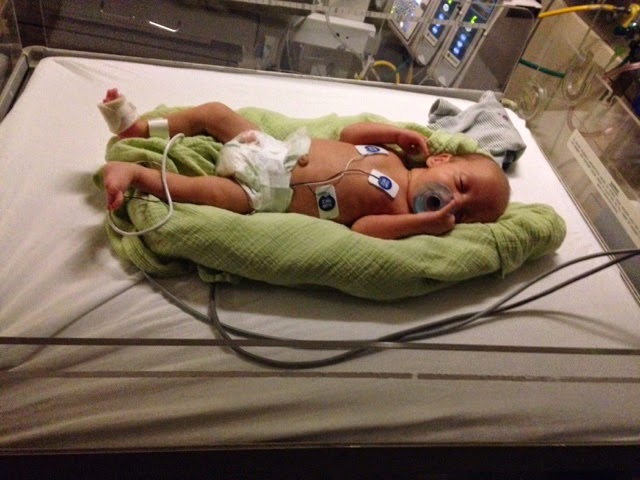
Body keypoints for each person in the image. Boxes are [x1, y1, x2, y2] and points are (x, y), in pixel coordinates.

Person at [101, 89, 510, 240]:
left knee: (202, 193)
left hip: (265, 195)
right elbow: (349, 135)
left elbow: (362, 230)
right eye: (461, 185)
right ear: (439, 159)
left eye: (465, 215)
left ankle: (136, 175)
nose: (455, 202)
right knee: (214, 113)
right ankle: (141, 128)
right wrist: (394, 134)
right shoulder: (395, 158)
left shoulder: (402, 213)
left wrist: (424, 223)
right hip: (270, 148)